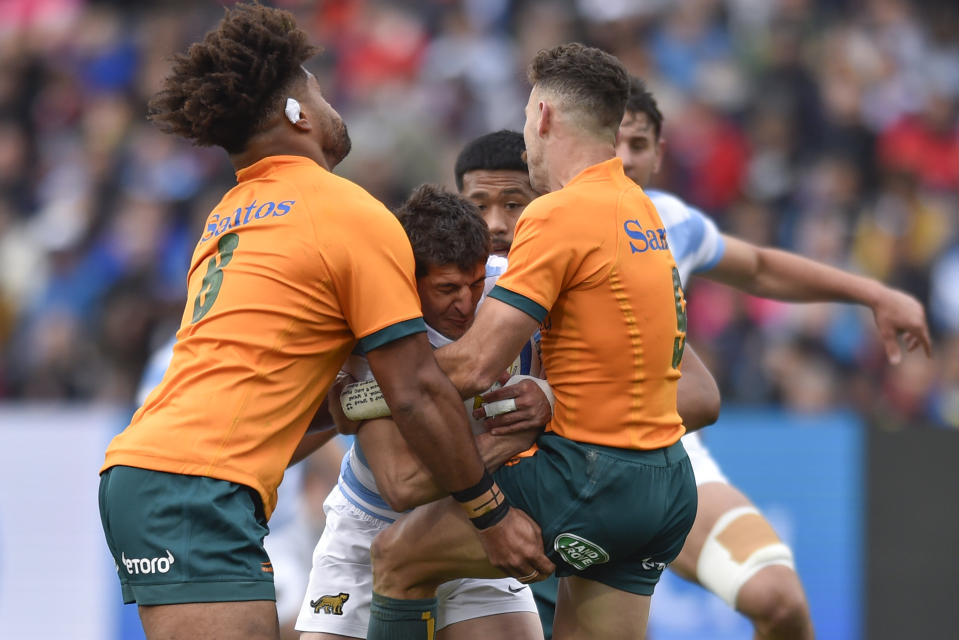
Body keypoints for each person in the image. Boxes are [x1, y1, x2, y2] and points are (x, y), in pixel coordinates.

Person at [96, 5, 547, 640]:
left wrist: (350, 402)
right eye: (318, 88)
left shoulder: (230, 214)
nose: (332, 103)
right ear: (295, 114)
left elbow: (290, 397)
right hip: (194, 485)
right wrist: (491, 513)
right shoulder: (345, 211)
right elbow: (414, 390)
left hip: (167, 473)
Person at [526, 77, 933, 639]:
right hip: (557, 457)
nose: (624, 157)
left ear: (660, 153)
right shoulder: (541, 217)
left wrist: (875, 294)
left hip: (662, 456)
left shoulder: (671, 222)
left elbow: (762, 268)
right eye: (615, 140)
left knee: (779, 599)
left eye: (639, 144)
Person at [365, 43, 697, 640]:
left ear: (543, 117)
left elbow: (469, 366)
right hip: (668, 482)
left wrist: (363, 389)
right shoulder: (640, 209)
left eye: (525, 121)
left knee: (398, 559)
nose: (525, 138)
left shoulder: (558, 213)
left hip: (594, 478)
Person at [297, 184, 551, 640]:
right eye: (447, 289)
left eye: (475, 284)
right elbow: (403, 485)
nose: (468, 303)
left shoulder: (513, 286)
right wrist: (511, 439)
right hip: (370, 527)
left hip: (468, 522)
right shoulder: (370, 327)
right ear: (408, 282)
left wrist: (551, 397)